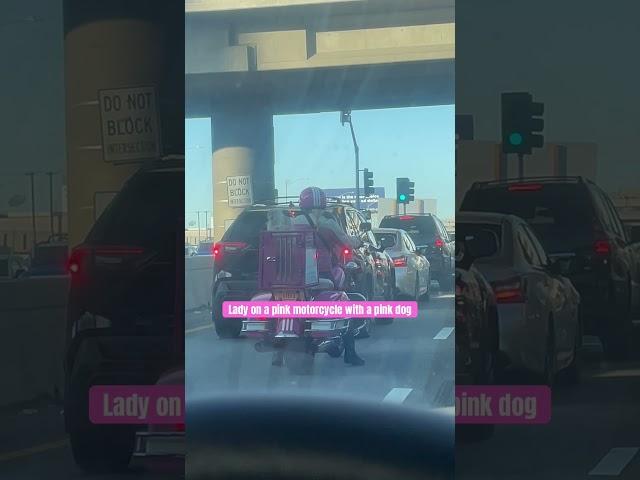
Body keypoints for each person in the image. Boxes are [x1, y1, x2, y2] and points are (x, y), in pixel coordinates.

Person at [298, 186, 365, 366]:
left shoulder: (293, 223)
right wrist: (359, 240)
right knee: (346, 305)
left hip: (293, 277)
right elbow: (347, 242)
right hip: (321, 274)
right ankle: (350, 353)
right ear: (322, 203)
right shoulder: (327, 223)